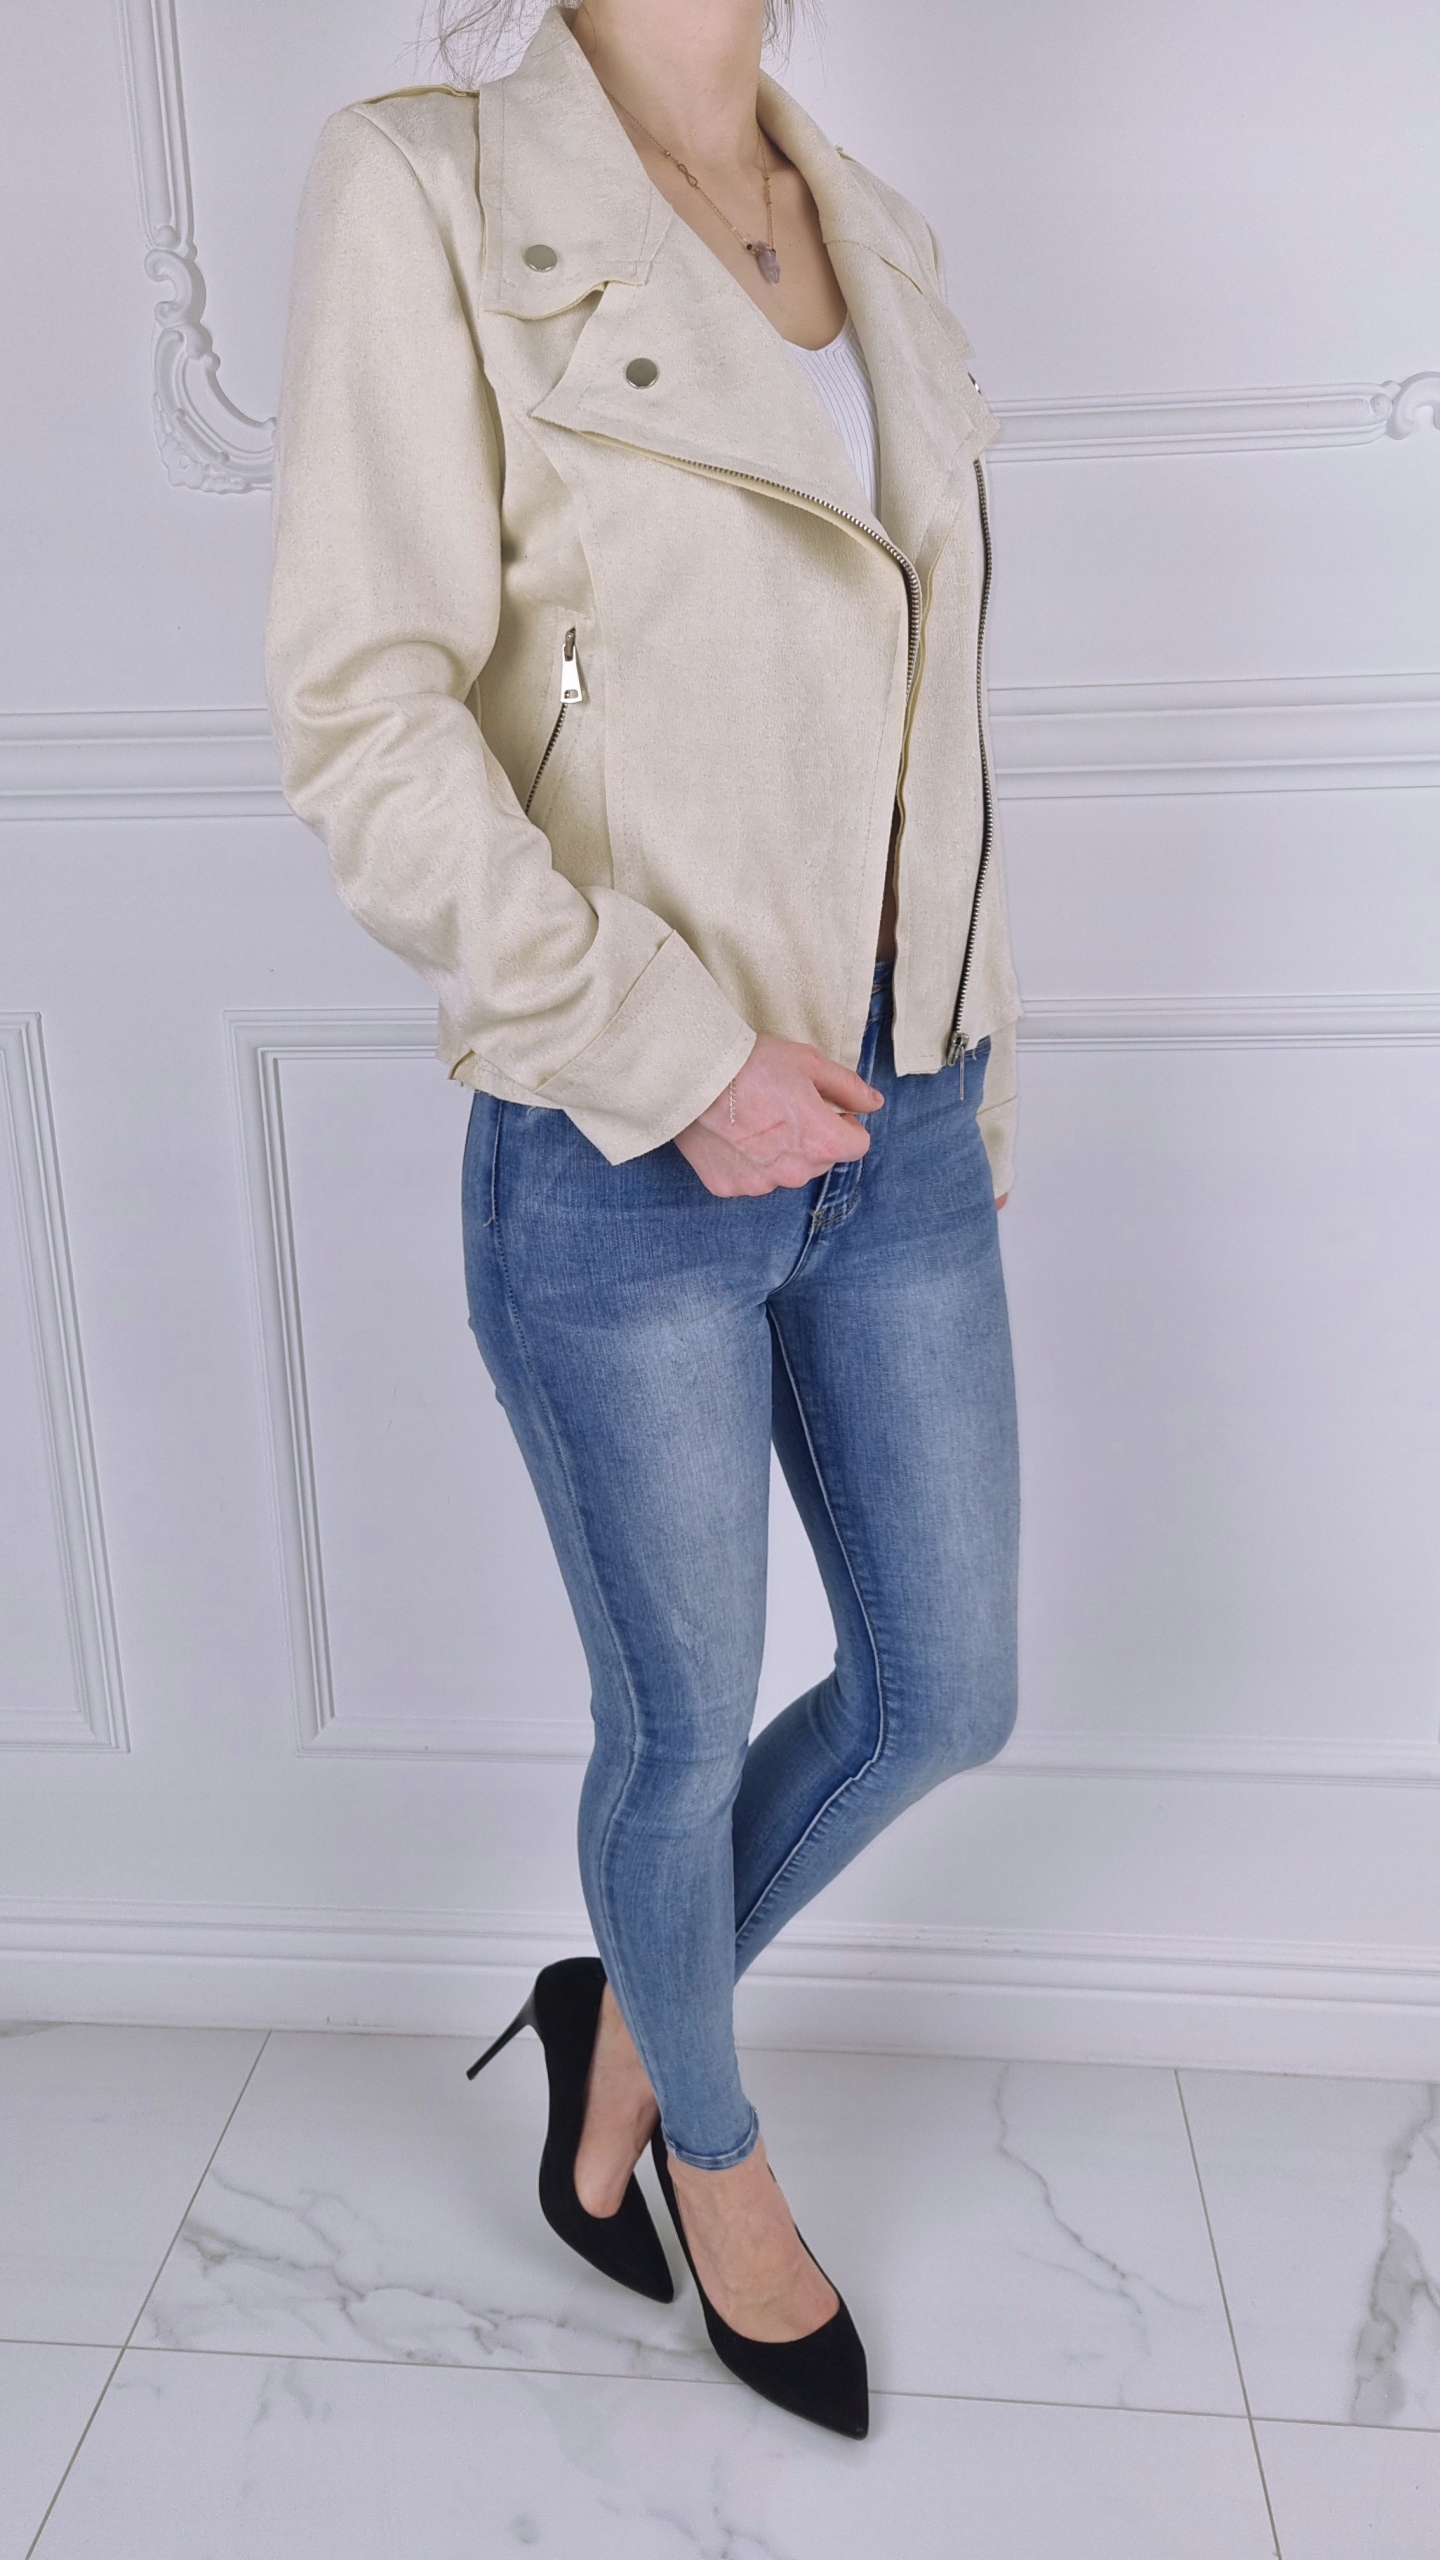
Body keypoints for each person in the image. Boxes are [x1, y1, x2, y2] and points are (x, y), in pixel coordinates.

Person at [267, 0, 1021, 2440]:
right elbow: (367, 714)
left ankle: (622, 2002)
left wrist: (970, 1046)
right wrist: (670, 1054)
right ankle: (707, 2139)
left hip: (906, 1094)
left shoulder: (873, 231)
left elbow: (935, 706)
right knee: (681, 1723)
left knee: (948, 1686)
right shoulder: (427, 182)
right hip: (625, 1118)